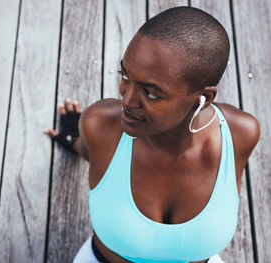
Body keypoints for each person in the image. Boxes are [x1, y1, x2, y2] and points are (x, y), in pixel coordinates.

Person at [45, 6, 260, 263]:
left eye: (151, 92)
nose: (126, 100)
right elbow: (93, 154)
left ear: (203, 99)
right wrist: (76, 139)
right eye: (125, 75)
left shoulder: (240, 135)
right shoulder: (101, 125)